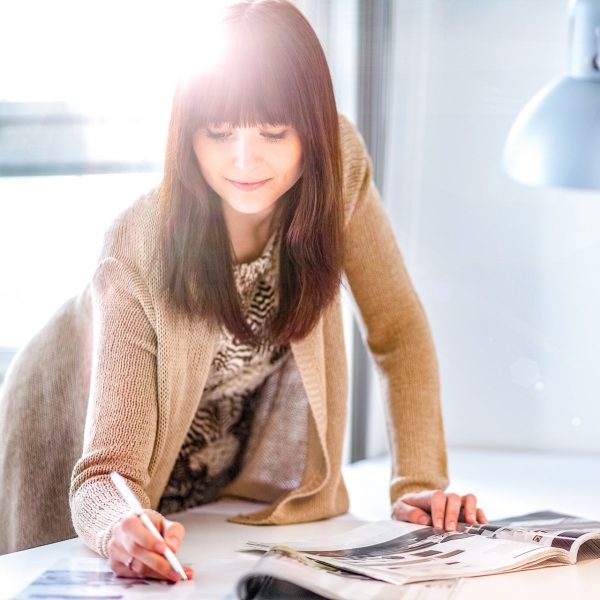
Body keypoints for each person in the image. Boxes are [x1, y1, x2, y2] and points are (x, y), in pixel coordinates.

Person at [0, 0, 486, 581]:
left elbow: (397, 331)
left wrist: (419, 485)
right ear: (187, 133)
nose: (243, 159)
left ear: (314, 129)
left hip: (205, 455)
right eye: (219, 131)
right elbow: (105, 471)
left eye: (274, 132)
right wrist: (117, 524)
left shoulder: (340, 171)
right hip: (65, 407)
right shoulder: (137, 245)